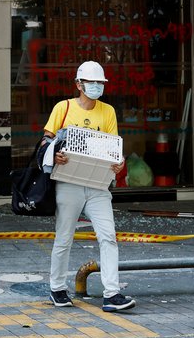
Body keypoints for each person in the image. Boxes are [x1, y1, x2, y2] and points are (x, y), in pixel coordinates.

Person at [43, 60, 135, 312]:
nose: (96, 86)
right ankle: (57, 288)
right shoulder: (63, 108)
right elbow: (45, 141)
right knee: (64, 238)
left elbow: (113, 147)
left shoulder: (108, 112)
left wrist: (119, 162)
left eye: (100, 83)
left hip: (97, 185)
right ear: (78, 85)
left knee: (108, 237)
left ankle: (112, 294)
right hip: (69, 183)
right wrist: (55, 155)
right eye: (91, 82)